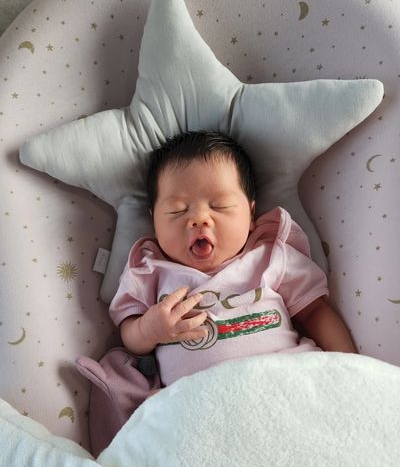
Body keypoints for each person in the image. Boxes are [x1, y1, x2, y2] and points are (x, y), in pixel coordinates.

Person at [109, 131, 357, 386]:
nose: (199, 219)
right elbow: (128, 333)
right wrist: (147, 330)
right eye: (177, 210)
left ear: (250, 215)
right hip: (196, 395)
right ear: (154, 222)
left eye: (220, 206)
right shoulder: (148, 271)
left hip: (283, 378)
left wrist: (351, 367)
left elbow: (315, 312)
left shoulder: (270, 258)